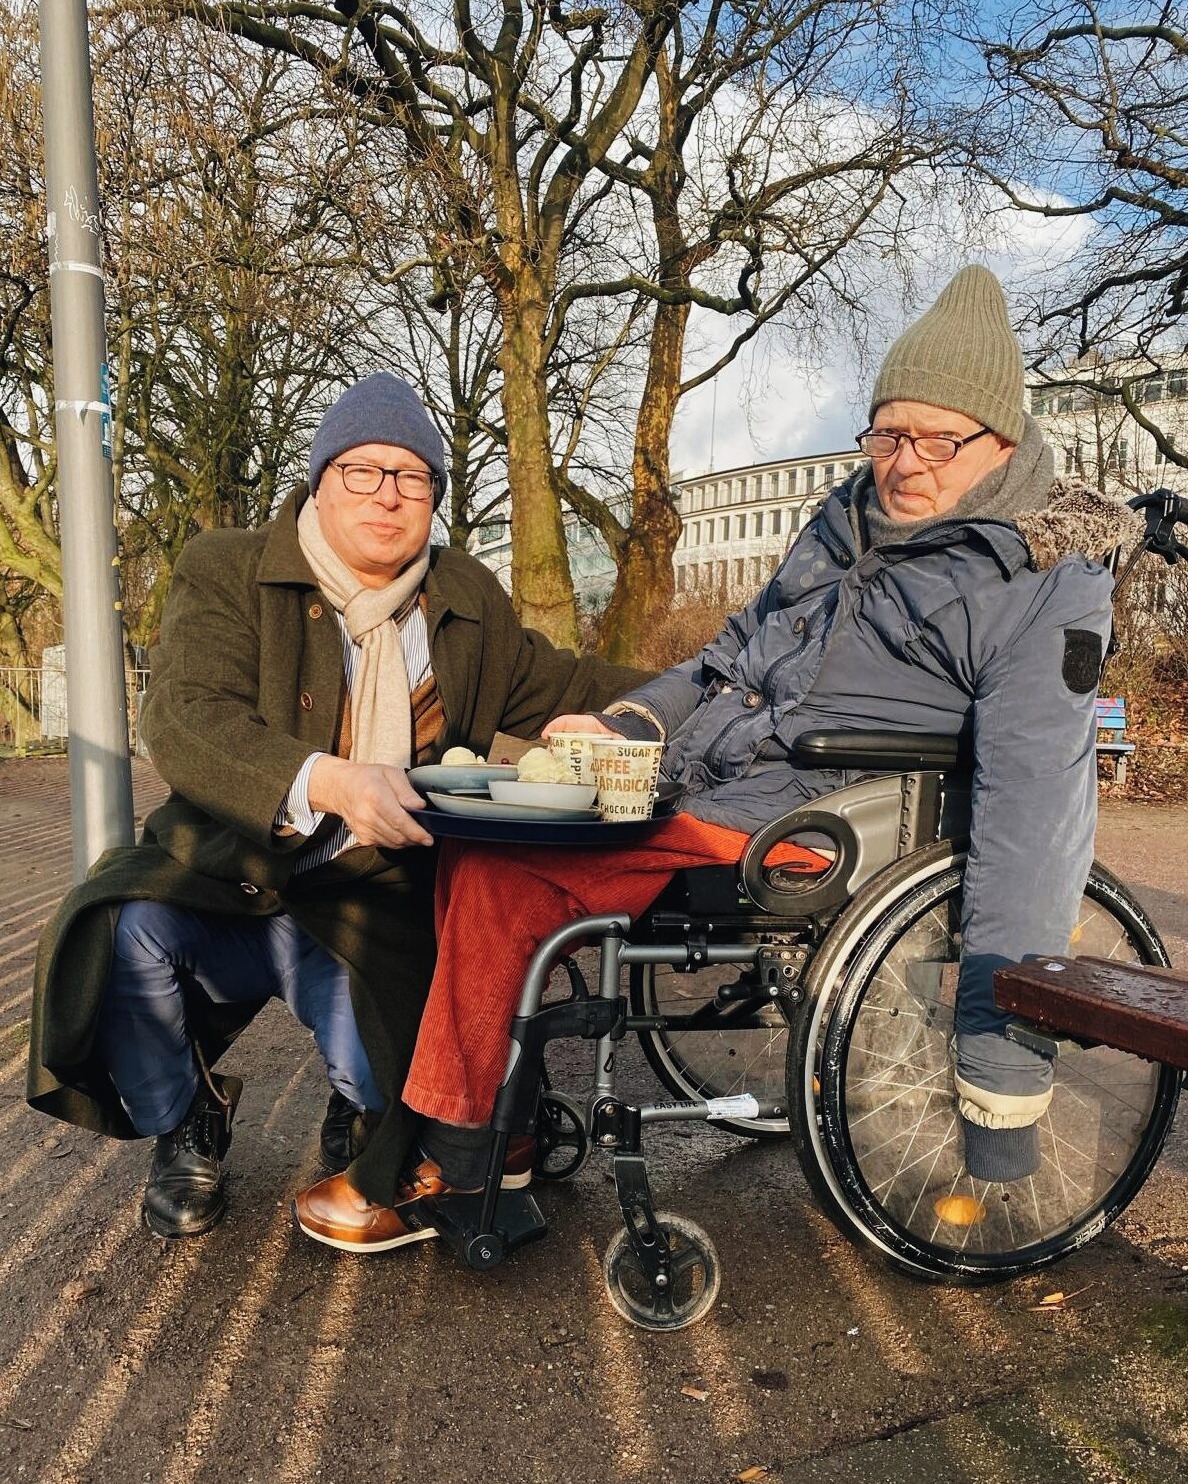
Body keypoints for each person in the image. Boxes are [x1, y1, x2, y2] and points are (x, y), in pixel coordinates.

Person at [292, 265, 1142, 1254]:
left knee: (501, 863)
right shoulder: (844, 522)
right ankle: (499, 1131)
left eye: (936, 439)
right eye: (887, 432)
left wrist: (1000, 1082)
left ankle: (460, 1160)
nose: (903, 461)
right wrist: (628, 725)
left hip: (829, 816)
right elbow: (725, 657)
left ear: (1002, 443)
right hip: (716, 781)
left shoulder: (1042, 574)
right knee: (472, 824)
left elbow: (1034, 813)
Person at [28, 372, 639, 1238]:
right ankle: (186, 1116)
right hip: (228, 880)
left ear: (433, 495)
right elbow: (187, 715)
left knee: (400, 1097)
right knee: (113, 932)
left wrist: (706, 694)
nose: (388, 495)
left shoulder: (464, 597)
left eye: (412, 476)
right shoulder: (228, 568)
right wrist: (330, 779)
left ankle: (362, 1106)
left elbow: (568, 682)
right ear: (320, 480)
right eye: (362, 471)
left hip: (372, 901)